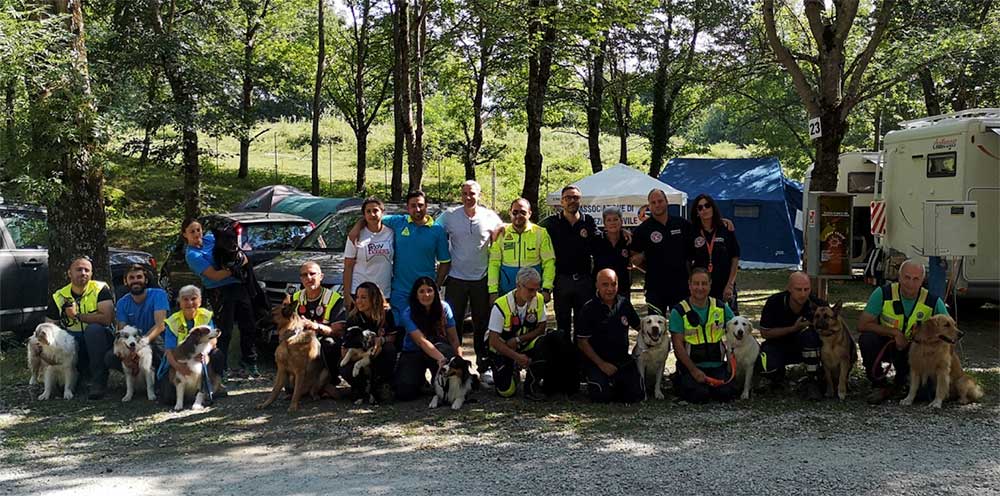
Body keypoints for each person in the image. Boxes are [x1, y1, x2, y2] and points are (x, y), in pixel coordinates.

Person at [439, 180, 504, 385]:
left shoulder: (489, 216)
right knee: (453, 323)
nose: (468, 197)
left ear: (479, 194)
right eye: (465, 193)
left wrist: (500, 231)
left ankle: (484, 367)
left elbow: (502, 230)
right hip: (456, 278)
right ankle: (454, 364)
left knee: (482, 324)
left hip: (481, 279)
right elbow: (431, 228)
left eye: (472, 193)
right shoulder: (449, 216)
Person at [351, 191, 451, 322]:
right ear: (407, 207)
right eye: (413, 205)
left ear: (426, 206)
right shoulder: (398, 222)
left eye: (420, 205)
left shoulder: (437, 230)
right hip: (400, 290)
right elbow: (373, 217)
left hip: (424, 292)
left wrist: (436, 286)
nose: (417, 209)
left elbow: (445, 262)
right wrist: (357, 227)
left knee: (423, 327)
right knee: (400, 327)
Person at [858, 260, 948, 404]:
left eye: (916, 279)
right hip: (888, 344)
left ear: (922, 281)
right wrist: (894, 333)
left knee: (923, 397)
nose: (910, 283)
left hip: (916, 352)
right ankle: (879, 383)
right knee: (867, 339)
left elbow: (949, 331)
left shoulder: (933, 301)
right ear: (899, 277)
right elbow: (862, 324)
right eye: (907, 277)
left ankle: (903, 383)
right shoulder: (883, 293)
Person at [181, 218, 259, 376]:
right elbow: (215, 275)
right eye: (192, 231)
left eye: (198, 229)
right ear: (185, 235)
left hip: (238, 286)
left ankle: (250, 361)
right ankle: (220, 369)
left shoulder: (211, 238)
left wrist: (239, 261)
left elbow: (237, 250)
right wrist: (235, 268)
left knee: (248, 325)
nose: (197, 234)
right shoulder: (192, 255)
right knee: (225, 330)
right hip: (219, 291)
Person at [487, 267, 578, 401]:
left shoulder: (538, 299)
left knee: (551, 340)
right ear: (518, 285)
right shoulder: (500, 305)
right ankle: (511, 369)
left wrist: (518, 339)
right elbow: (493, 341)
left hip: (523, 344)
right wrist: (517, 357)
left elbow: (541, 328)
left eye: (537, 289)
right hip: (502, 349)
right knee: (506, 391)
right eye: (530, 290)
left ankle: (532, 386)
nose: (534, 294)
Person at [45, 256, 116, 400]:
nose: (83, 273)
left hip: (99, 338)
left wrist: (77, 316)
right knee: (60, 337)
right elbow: (49, 327)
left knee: (93, 330)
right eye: (78, 269)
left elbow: (107, 319)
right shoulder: (58, 296)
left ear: (91, 274)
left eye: (87, 270)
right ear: (69, 273)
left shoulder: (100, 289)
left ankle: (98, 381)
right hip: (72, 340)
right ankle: (73, 379)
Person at [669, 268, 739, 403]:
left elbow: (737, 330)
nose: (700, 288)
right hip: (691, 367)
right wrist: (694, 371)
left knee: (725, 394)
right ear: (689, 285)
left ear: (710, 285)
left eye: (704, 283)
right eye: (696, 284)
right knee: (700, 395)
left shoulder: (721, 307)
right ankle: (679, 380)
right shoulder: (678, 311)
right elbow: (678, 346)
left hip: (717, 366)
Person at [576, 269, 644, 404]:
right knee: (601, 397)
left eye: (613, 284)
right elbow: (582, 342)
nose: (610, 289)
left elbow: (640, 328)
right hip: (598, 362)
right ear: (597, 285)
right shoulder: (588, 308)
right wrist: (602, 364)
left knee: (636, 395)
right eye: (605, 285)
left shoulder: (624, 304)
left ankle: (619, 384)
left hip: (622, 361)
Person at [756, 271, 824, 399]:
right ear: (789, 288)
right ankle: (775, 379)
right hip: (777, 344)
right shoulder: (774, 302)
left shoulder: (818, 305)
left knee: (810, 336)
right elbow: (765, 333)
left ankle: (812, 381)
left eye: (806, 289)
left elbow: (831, 328)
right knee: (767, 364)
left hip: (805, 346)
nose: (803, 294)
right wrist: (794, 328)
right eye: (798, 289)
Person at [394, 277, 461, 401]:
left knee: (449, 390)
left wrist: (459, 362)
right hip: (414, 352)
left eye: (430, 290)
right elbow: (421, 341)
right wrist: (441, 359)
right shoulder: (408, 313)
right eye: (422, 291)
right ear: (416, 294)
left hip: (439, 348)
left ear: (435, 292)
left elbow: (454, 339)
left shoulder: (444, 308)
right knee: (404, 393)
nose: (426, 295)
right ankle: (419, 381)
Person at [542, 185, 598, 335]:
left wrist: (622, 232)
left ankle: (581, 357)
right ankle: (565, 357)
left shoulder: (589, 221)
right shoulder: (551, 223)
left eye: (575, 198)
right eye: (568, 198)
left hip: (584, 281)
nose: (572, 201)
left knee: (584, 323)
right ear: (562, 202)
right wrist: (502, 227)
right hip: (561, 281)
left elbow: (602, 241)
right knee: (563, 324)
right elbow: (530, 230)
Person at [629, 189, 694, 316]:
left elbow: (702, 230)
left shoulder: (681, 224)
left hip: (681, 285)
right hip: (655, 287)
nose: (657, 204)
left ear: (667, 202)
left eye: (660, 201)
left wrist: (722, 222)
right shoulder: (642, 230)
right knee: (656, 327)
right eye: (653, 202)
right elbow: (634, 257)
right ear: (649, 206)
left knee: (681, 326)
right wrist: (645, 265)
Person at [158, 285, 226, 404]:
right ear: (179, 302)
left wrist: (205, 355)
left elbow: (213, 340)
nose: (190, 302)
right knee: (168, 398)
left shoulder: (206, 315)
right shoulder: (172, 321)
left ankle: (216, 385)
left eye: (193, 298)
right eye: (185, 299)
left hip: (201, 357)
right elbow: (169, 351)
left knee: (218, 355)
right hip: (179, 361)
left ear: (199, 301)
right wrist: (179, 367)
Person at [285, 261, 347, 394]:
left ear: (321, 276)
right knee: (289, 389)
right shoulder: (295, 298)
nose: (309, 278)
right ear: (300, 279)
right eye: (304, 275)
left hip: (324, 338)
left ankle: (330, 381)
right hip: (300, 340)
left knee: (330, 344)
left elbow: (338, 330)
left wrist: (315, 326)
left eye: (312, 274)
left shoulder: (334, 298)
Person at [106, 264, 170, 377]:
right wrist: (126, 355)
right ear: (125, 281)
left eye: (139, 277)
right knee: (111, 356)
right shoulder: (122, 303)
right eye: (131, 278)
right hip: (133, 343)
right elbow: (122, 331)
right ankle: (136, 377)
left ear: (145, 280)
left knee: (158, 342)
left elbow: (160, 325)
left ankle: (161, 379)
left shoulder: (158, 294)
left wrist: (141, 344)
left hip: (155, 340)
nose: (136, 280)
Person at [342, 282, 399, 402]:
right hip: (358, 356)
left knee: (389, 349)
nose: (359, 301)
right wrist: (362, 356)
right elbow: (344, 350)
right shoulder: (353, 318)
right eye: (357, 297)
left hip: (379, 354)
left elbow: (393, 337)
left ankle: (382, 385)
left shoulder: (386, 313)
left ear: (374, 299)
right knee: (344, 366)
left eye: (364, 297)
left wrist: (381, 340)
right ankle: (359, 388)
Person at [488, 198, 555, 300]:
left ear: (529, 213)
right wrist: (493, 290)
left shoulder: (541, 233)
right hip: (506, 291)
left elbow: (549, 263)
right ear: (510, 213)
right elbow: (494, 263)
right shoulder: (502, 234)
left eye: (523, 212)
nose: (518, 215)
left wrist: (546, 288)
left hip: (532, 291)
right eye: (515, 212)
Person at [689, 194, 740, 311]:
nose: (704, 209)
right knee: (706, 321)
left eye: (707, 205)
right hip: (702, 287)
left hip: (724, 284)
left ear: (713, 207)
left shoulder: (725, 229)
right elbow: (687, 259)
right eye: (700, 207)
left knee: (730, 321)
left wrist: (730, 285)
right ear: (697, 212)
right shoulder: (691, 231)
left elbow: (735, 257)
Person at [343, 197, 393, 310]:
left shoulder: (391, 233)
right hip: (359, 293)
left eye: (375, 210)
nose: (372, 214)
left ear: (382, 212)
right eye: (368, 211)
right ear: (364, 215)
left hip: (383, 293)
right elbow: (348, 266)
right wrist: (346, 295)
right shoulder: (355, 235)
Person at [591, 207, 632, 297]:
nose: (612, 223)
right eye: (609, 220)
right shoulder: (596, 240)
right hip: (600, 290)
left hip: (622, 289)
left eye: (615, 219)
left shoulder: (628, 240)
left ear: (621, 221)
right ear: (604, 223)